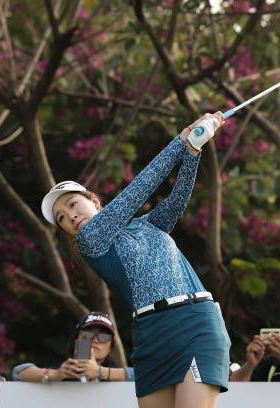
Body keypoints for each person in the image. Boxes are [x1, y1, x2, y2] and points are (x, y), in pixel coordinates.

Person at [40, 112, 230, 408]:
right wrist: (179, 142)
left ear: (94, 201)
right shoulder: (90, 240)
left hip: (195, 322)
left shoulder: (146, 225)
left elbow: (177, 201)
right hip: (150, 335)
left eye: (73, 204)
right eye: (62, 218)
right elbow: (139, 189)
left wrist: (193, 150)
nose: (71, 216)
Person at [13, 311, 133, 382]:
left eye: (103, 337)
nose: (95, 340)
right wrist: (56, 375)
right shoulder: (66, 370)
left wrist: (100, 372)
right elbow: (18, 373)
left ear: (110, 347)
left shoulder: (118, 377)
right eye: (87, 335)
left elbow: (147, 377)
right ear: (77, 341)